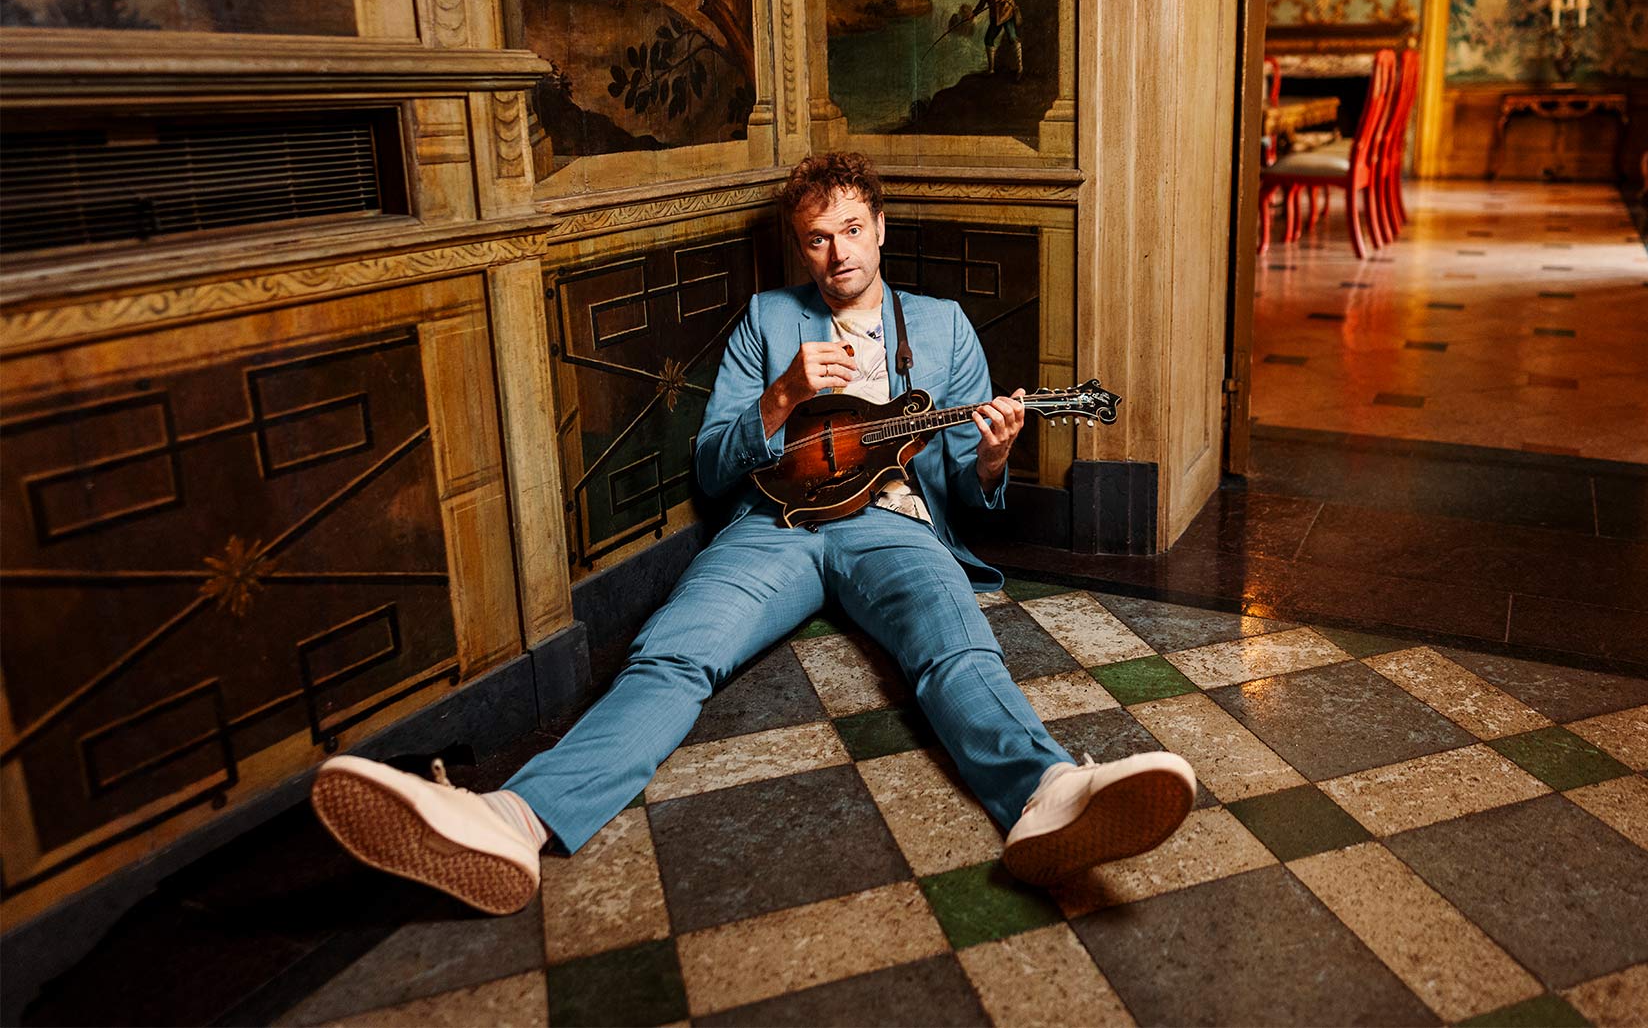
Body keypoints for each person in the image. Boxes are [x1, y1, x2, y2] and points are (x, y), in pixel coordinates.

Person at [308, 152, 1195, 916]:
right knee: (672, 654)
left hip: (892, 523)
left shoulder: (942, 326)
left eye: (853, 230)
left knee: (953, 647)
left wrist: (995, 456)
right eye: (818, 238)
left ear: (881, 228)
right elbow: (710, 465)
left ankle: (1048, 795)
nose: (839, 254)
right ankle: (511, 818)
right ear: (799, 246)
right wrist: (782, 395)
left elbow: (968, 487)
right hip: (776, 526)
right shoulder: (769, 321)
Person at [973, 0, 1021, 77]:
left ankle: (1020, 67)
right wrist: (974, 13)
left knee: (1013, 38)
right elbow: (981, 3)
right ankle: (991, 70)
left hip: (1006, 13)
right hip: (995, 17)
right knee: (988, 39)